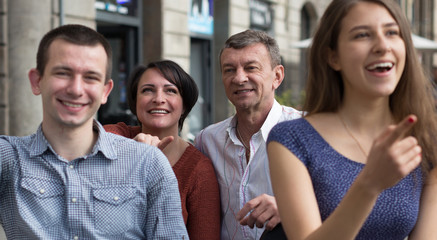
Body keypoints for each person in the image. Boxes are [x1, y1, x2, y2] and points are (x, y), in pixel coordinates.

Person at [267, 0, 437, 239]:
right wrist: (369, 184)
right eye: (362, 35)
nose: (382, 45)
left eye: (392, 32)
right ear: (333, 57)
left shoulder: (426, 140)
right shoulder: (292, 139)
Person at [0, 24, 188, 239]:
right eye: (63, 73)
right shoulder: (9, 159)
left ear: (105, 91)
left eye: (90, 77)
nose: (76, 89)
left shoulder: (148, 163)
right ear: (37, 81)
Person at [194, 29, 302, 240]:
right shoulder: (207, 140)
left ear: (277, 76)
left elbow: (344, 199)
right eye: (229, 70)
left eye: (251, 68)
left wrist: (289, 208)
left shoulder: (308, 129)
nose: (239, 78)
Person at [104, 60, 221, 239]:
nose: (158, 99)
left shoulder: (198, 169)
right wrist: (131, 153)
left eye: (170, 91)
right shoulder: (116, 135)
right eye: (148, 90)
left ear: (184, 106)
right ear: (135, 102)